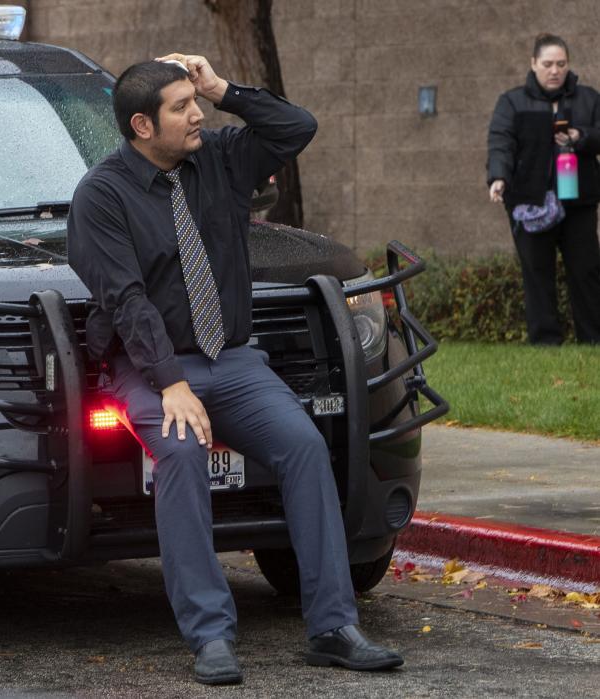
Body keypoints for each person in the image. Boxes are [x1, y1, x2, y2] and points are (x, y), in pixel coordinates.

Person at [66, 55, 403, 685]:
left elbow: (295, 128)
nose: (197, 114)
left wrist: (226, 89)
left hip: (234, 360)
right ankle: (210, 635)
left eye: (197, 101)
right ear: (142, 124)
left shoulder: (218, 158)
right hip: (150, 367)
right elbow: (126, 299)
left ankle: (334, 625)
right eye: (181, 106)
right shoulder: (101, 196)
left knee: (304, 447)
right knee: (183, 455)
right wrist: (172, 383)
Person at [487, 33, 600, 345]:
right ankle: (546, 342)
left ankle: (593, 340)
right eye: (548, 64)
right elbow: (501, 143)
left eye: (561, 64)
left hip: (579, 202)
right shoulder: (511, 102)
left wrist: (581, 136)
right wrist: (498, 177)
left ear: (568, 65)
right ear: (533, 63)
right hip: (529, 202)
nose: (555, 70)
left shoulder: (588, 98)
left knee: (586, 271)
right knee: (537, 273)